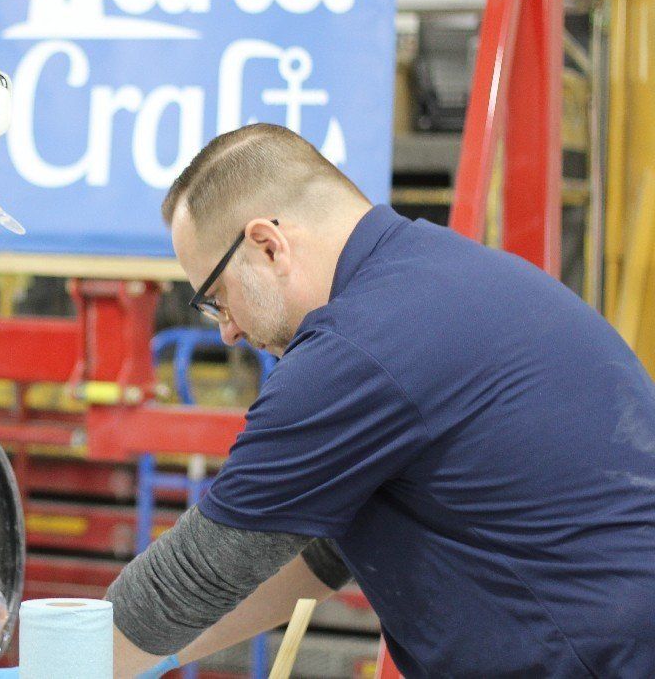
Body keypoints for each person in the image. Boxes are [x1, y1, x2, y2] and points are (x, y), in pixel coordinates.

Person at [103, 123, 655, 677]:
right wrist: (157, 655)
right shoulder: (429, 276)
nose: (227, 331)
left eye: (216, 298)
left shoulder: (359, 345)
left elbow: (195, 575)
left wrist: (63, 661)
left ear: (268, 246)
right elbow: (316, 552)